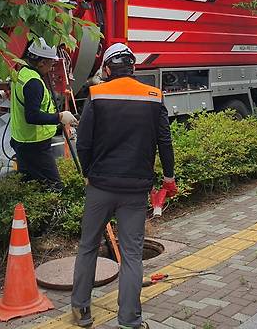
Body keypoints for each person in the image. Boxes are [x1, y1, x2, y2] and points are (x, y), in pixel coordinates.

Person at [71, 43, 177, 329]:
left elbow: (83, 142)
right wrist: (169, 177)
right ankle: (130, 319)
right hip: (135, 189)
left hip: (100, 185)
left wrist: (88, 172)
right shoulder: (154, 97)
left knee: (88, 246)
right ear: (133, 68)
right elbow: (164, 141)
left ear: (106, 69)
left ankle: (82, 311)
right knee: (132, 254)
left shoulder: (96, 94)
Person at [10, 38, 77, 190]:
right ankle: (47, 214)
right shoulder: (34, 83)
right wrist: (59, 117)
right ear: (41, 63)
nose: (52, 67)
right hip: (35, 145)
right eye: (51, 63)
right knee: (55, 186)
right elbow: (32, 116)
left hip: (22, 141)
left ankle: (28, 213)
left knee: (31, 187)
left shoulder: (22, 73)